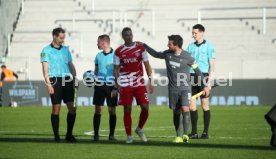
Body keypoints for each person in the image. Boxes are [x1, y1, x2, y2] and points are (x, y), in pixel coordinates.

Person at [142, 34, 209, 143]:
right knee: (176, 112)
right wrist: (145, 46)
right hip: (173, 89)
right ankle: (178, 136)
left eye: (170, 43)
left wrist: (205, 85)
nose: (167, 45)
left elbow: (198, 71)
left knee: (185, 109)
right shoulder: (167, 54)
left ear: (176, 45)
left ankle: (185, 135)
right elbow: (155, 54)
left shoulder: (188, 56)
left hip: (185, 88)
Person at [114, 27, 154, 144]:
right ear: (123, 37)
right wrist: (118, 84)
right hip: (125, 84)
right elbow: (116, 69)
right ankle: (129, 136)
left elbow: (147, 65)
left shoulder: (140, 48)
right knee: (127, 109)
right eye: (126, 35)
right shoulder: (118, 51)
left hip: (139, 82)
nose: (129, 37)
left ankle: (139, 129)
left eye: (130, 34)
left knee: (145, 107)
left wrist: (151, 81)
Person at [40, 27, 78, 143]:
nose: (62, 40)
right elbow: (45, 68)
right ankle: (56, 136)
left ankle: (69, 135)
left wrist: (75, 79)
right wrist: (48, 84)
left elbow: (71, 65)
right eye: (61, 38)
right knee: (56, 109)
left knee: (73, 108)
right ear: (54, 36)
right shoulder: (45, 50)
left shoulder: (66, 49)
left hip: (67, 80)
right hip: (54, 80)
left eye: (63, 38)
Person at [186, 24, 215, 139]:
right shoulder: (190, 46)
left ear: (202, 32)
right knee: (192, 106)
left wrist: (208, 83)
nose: (193, 35)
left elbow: (212, 66)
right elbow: (186, 62)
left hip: (203, 77)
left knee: (204, 105)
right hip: (191, 77)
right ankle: (194, 132)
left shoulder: (209, 46)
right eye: (192, 33)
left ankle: (205, 132)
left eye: (195, 33)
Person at [92, 34, 118, 142]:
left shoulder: (116, 55)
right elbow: (96, 71)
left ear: (103, 42)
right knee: (98, 109)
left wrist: (116, 87)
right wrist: (92, 78)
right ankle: (96, 135)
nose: (97, 44)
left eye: (98, 42)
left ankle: (111, 135)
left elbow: (118, 72)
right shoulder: (98, 56)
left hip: (111, 85)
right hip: (99, 85)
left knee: (112, 110)